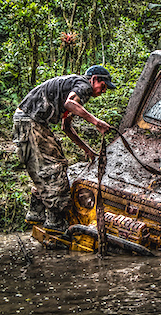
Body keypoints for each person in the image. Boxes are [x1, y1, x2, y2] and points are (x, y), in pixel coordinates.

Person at [13, 65, 115, 232]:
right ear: (94, 79)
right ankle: (55, 220)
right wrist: (97, 122)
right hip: (30, 121)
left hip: (28, 120)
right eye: (103, 86)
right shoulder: (84, 85)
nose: (103, 91)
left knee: (48, 165)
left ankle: (36, 212)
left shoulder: (74, 88)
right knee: (55, 167)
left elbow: (66, 127)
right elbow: (69, 104)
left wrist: (87, 149)